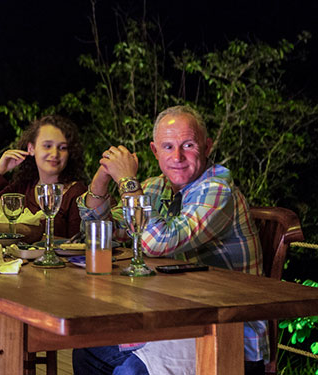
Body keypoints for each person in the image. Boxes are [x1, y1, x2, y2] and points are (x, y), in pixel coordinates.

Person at [72, 105, 265, 375]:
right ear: (155, 151)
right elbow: (102, 232)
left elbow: (156, 242)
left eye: (188, 145)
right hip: (175, 320)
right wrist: (102, 179)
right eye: (168, 147)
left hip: (226, 333)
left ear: (207, 147)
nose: (178, 156)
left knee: (130, 370)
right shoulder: (155, 186)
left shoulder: (217, 189)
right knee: (88, 352)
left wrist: (127, 180)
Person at [0, 115, 87, 241]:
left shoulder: (76, 193)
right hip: (17, 260)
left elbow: (77, 245)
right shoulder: (23, 187)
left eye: (62, 148)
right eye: (47, 146)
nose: (55, 154)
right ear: (31, 148)